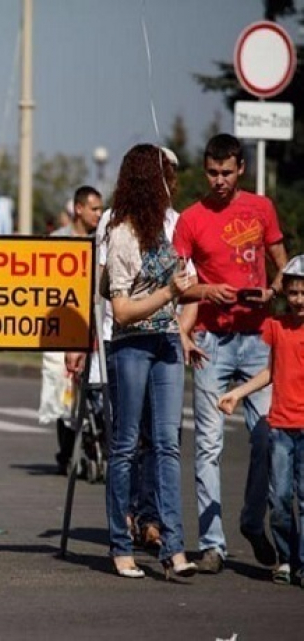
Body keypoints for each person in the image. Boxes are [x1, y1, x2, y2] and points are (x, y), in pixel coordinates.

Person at [174, 133, 288, 574]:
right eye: (211, 172)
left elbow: (283, 263)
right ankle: (212, 543)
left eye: (226, 172)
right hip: (211, 341)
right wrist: (207, 289)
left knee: (266, 437)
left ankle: (251, 521)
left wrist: (273, 291)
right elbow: (179, 282)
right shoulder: (191, 219)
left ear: (241, 168)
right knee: (208, 443)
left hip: (257, 337)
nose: (218, 180)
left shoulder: (261, 209)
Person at [104, 144, 196, 579]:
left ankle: (173, 547)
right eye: (167, 175)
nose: (173, 182)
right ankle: (120, 545)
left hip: (167, 343)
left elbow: (186, 283)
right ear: (149, 179)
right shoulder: (121, 232)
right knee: (125, 446)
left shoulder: (173, 226)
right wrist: (168, 294)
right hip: (131, 346)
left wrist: (206, 291)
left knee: (167, 445)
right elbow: (122, 311)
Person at [218, 255, 304, 587]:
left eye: (303, 293)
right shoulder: (276, 327)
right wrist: (237, 393)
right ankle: (286, 558)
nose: (298, 300)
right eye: (293, 293)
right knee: (280, 498)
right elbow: (270, 371)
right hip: (280, 426)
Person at [43, 185, 103, 474]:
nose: (99, 214)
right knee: (62, 390)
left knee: (94, 391)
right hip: (64, 325)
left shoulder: (101, 241)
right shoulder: (58, 241)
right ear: (79, 209)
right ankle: (66, 451)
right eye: (94, 209)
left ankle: (93, 446)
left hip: (96, 323)